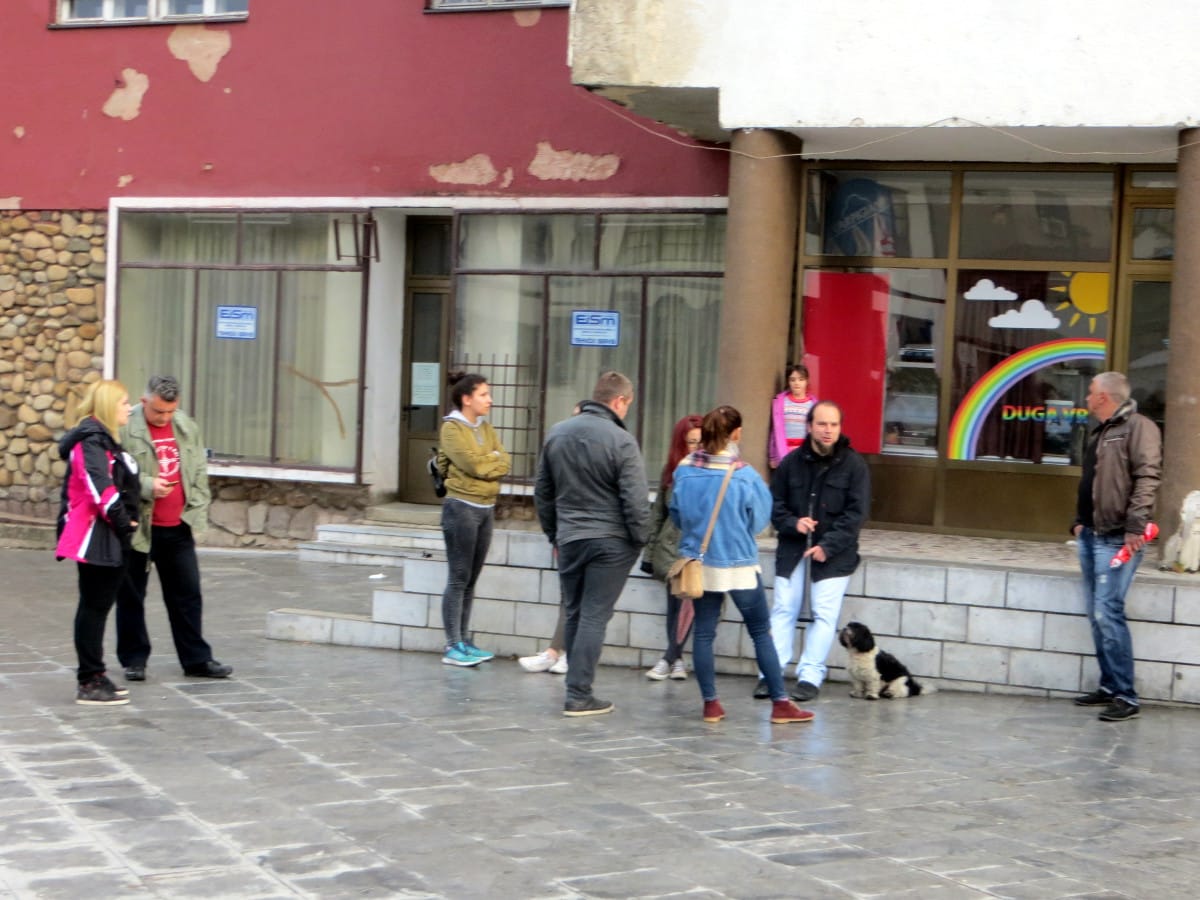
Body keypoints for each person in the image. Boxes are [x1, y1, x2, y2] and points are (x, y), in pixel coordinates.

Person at [669, 405, 814, 725]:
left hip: (701, 563)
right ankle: (780, 702)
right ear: (735, 433)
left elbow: (676, 514)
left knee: (704, 633)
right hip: (739, 563)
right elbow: (760, 520)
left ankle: (710, 704)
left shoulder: (685, 468)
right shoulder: (744, 474)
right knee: (761, 631)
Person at [534, 371, 649, 716]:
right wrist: (639, 540)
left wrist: (555, 533)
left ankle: (576, 690)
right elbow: (636, 500)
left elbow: (543, 492)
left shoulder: (557, 433)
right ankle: (579, 694)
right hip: (611, 541)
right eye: (627, 405)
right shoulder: (622, 441)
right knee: (594, 616)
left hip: (570, 537)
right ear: (619, 401)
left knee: (574, 611)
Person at [117, 375, 233, 681]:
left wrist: (198, 504)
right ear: (144, 402)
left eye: (170, 411)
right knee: (131, 595)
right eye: (159, 412)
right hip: (140, 526)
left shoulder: (185, 425)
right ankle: (134, 659)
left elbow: (197, 467)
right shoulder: (125, 426)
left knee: (187, 594)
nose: (165, 417)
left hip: (178, 524)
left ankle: (196, 660)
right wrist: (145, 485)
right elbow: (114, 472)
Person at [759, 400, 870, 702]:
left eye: (833, 425)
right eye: (822, 424)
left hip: (835, 554)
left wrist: (827, 545)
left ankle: (810, 675)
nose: (828, 430)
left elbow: (856, 514)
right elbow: (775, 504)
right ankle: (771, 673)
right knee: (783, 609)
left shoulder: (854, 465)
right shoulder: (791, 462)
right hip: (793, 548)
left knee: (824, 614)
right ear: (809, 426)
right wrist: (793, 523)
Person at [1072, 371, 1162, 722]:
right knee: (1097, 615)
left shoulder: (1139, 427)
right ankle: (1109, 686)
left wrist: (1135, 526)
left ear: (1105, 396)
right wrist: (1077, 522)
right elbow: (1091, 483)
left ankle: (1127, 696)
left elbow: (1147, 476)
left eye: (1091, 392)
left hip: (1117, 537)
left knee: (1107, 612)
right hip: (1091, 534)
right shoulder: (1102, 430)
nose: (1087, 398)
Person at [56, 379, 140, 705]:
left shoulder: (104, 441)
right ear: (107, 405)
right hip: (96, 537)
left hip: (108, 536)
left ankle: (95, 673)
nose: (128, 408)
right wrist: (124, 524)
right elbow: (100, 489)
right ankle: (89, 680)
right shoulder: (91, 442)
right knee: (93, 607)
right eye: (123, 402)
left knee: (98, 607)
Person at [437, 372, 511, 667]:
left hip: (486, 508)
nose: (489, 400)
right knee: (458, 577)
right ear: (466, 399)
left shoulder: (487, 427)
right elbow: (474, 464)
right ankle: (452, 645)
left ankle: (465, 640)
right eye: (483, 394)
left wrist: (490, 461)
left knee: (471, 580)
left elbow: (504, 459)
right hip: (461, 508)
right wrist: (488, 461)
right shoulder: (452, 429)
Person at [641, 414, 703, 681]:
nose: (697, 448)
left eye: (701, 442)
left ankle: (669, 657)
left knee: (688, 605)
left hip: (698, 549)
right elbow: (658, 514)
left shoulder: (710, 472)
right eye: (691, 442)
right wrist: (649, 553)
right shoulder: (671, 473)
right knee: (674, 606)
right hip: (670, 548)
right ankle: (675, 659)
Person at [768, 363, 817, 470]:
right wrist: (772, 455)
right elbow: (774, 430)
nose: (796, 383)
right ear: (788, 382)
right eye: (792, 380)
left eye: (801, 379)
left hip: (805, 452)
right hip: (784, 451)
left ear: (807, 381)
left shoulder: (813, 405)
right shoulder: (780, 402)